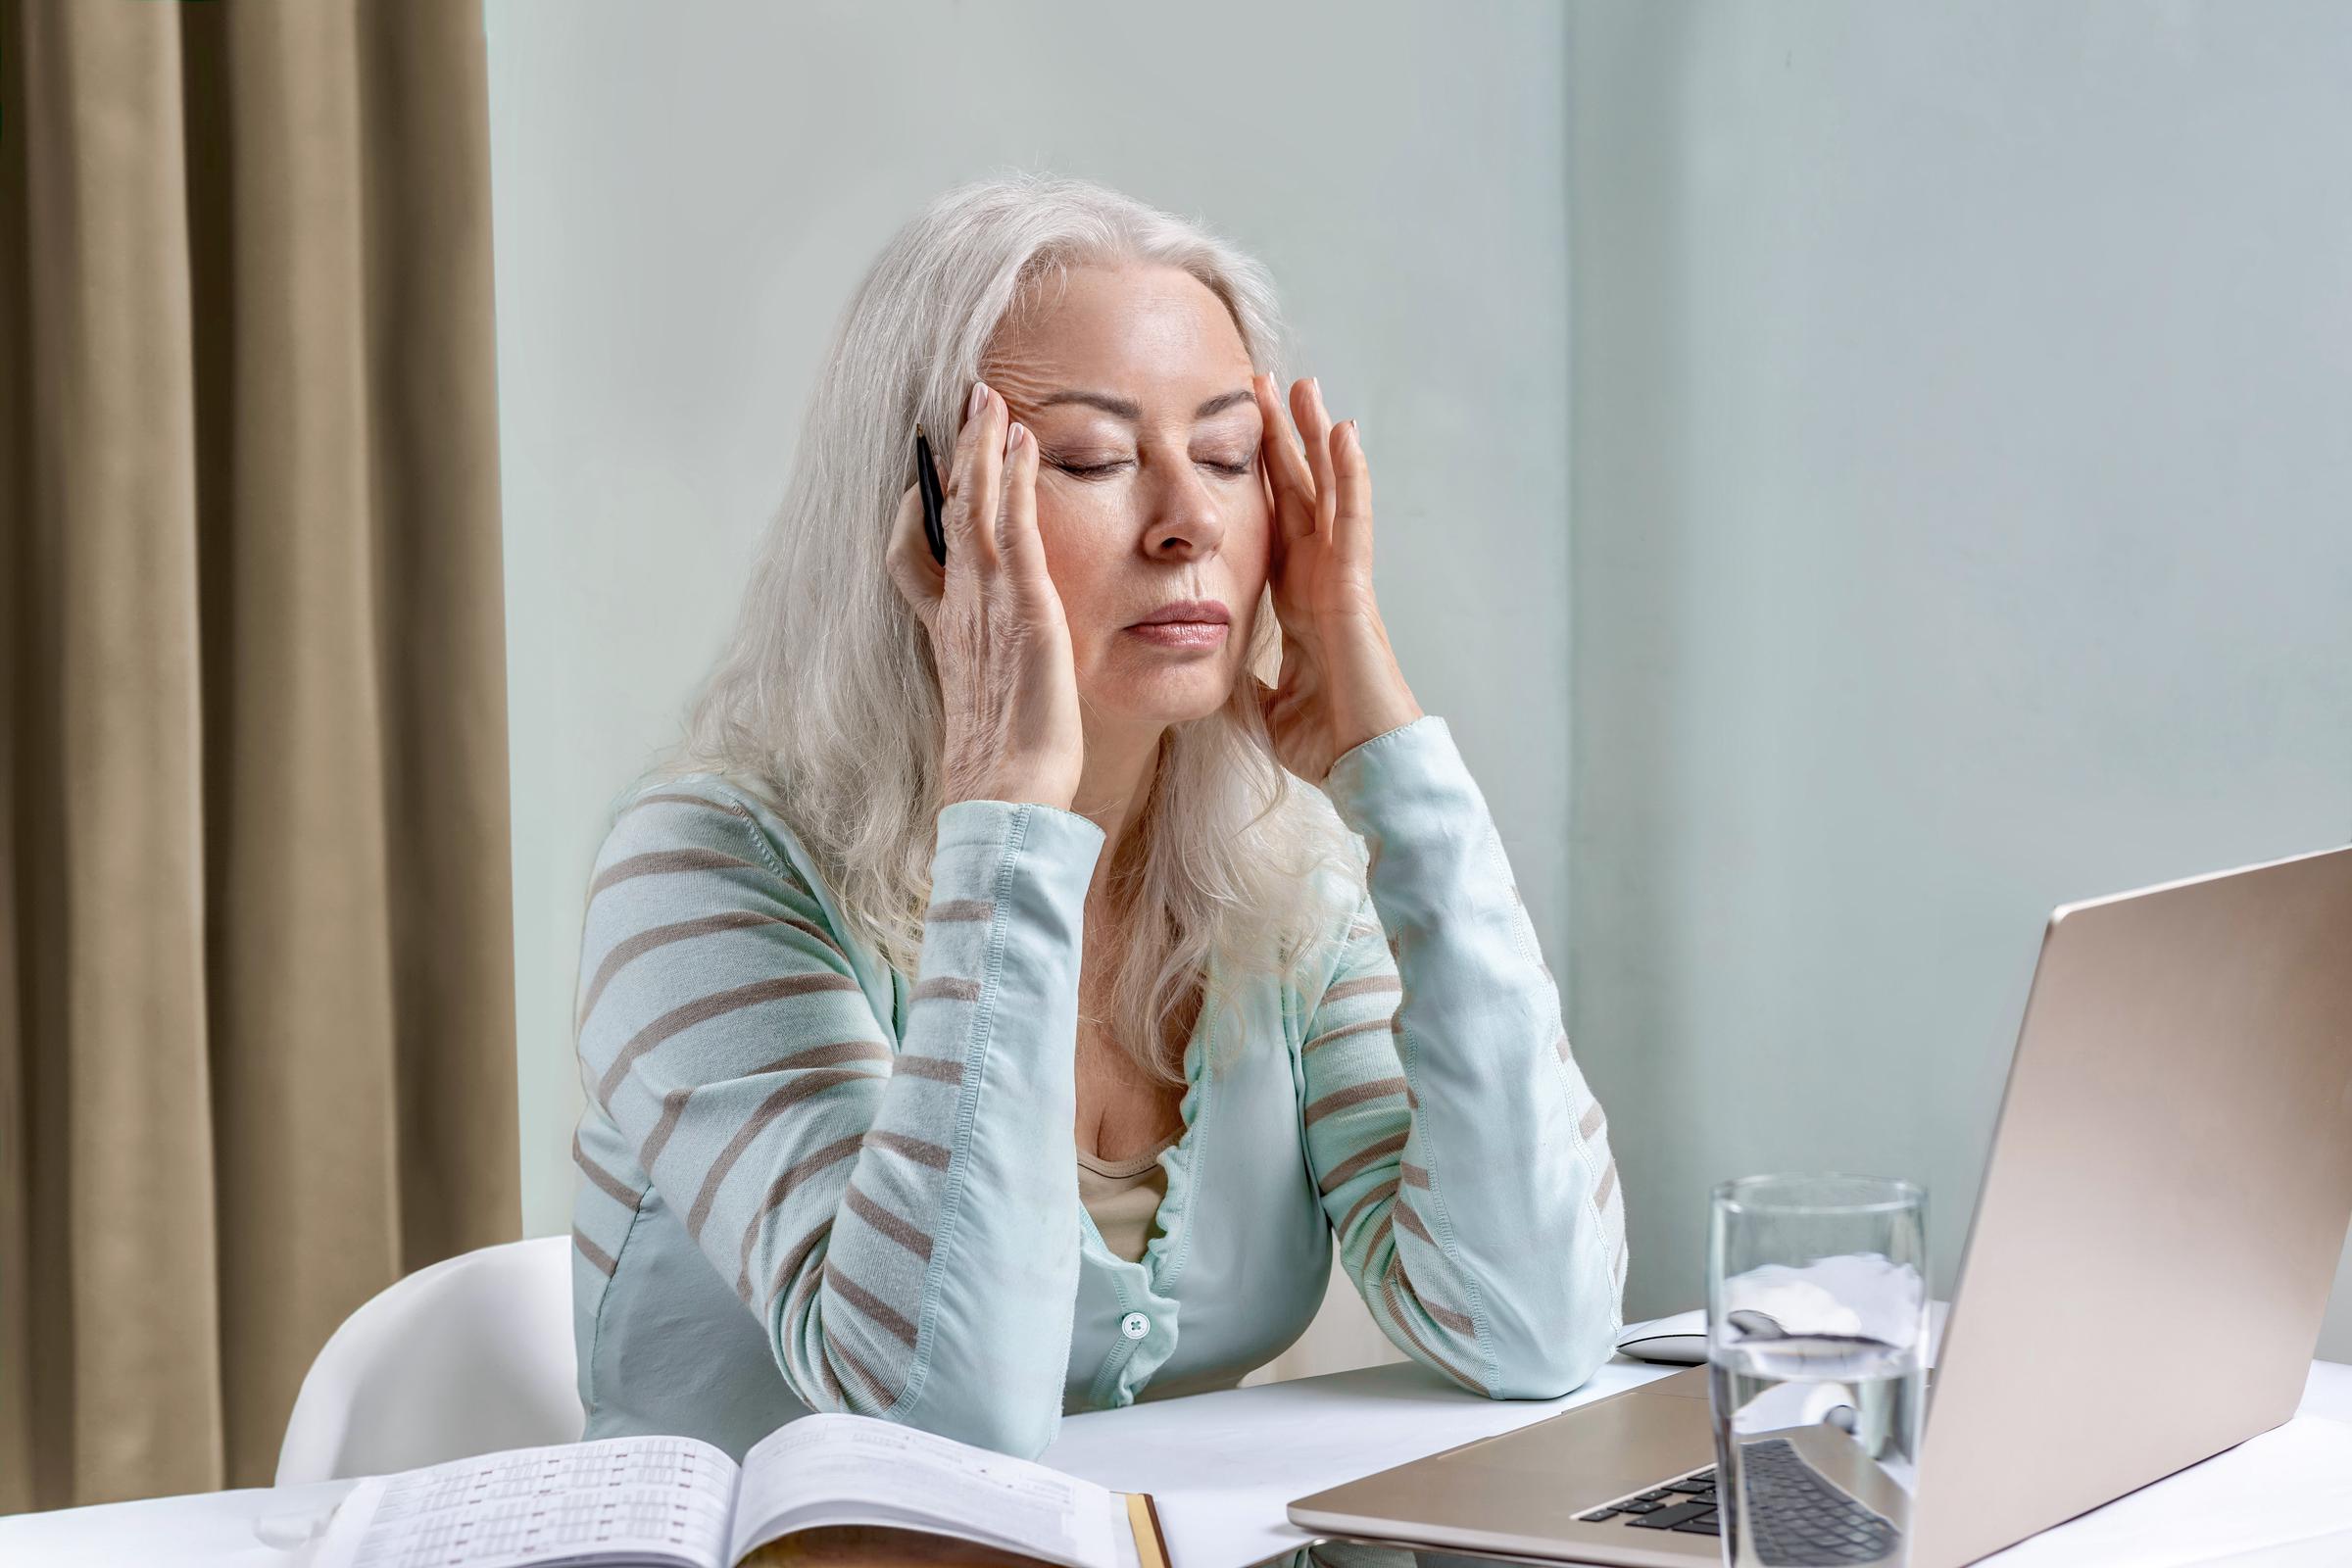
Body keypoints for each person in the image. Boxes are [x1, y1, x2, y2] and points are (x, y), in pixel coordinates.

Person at [567, 172, 1627, 1461]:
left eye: (1230, 458)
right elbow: (935, 1432)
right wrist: (1005, 816)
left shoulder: (1281, 873)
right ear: (930, 521)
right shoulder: (698, 873)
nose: (1190, 524)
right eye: (1093, 459)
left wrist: (1393, 766)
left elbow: (1531, 1324)